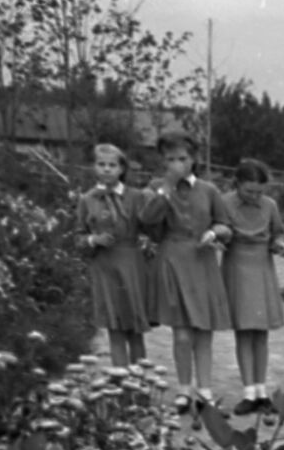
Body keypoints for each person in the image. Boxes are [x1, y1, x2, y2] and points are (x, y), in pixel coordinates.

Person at [139, 132, 233, 411]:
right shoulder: (156, 188)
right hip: (173, 262)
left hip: (202, 262)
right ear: (162, 162)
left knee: (204, 332)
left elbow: (225, 226)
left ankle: (204, 390)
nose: (178, 164)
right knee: (181, 334)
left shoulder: (209, 190)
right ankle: (183, 389)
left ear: (194, 160)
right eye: (170, 159)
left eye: (183, 158)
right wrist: (167, 187)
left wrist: (214, 233)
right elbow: (147, 220)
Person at [221, 159, 284, 415]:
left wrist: (280, 245)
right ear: (238, 184)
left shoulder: (270, 205)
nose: (255, 196)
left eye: (260, 192)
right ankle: (248, 391)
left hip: (262, 267)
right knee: (244, 331)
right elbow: (220, 232)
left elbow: (279, 233)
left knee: (261, 333)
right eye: (249, 191)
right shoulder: (225, 202)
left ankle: (261, 392)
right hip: (237, 266)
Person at [77, 142, 150, 367]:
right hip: (105, 265)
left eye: (112, 165)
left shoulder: (136, 197)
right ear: (94, 167)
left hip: (131, 265)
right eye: (101, 164)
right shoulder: (87, 200)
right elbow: (78, 237)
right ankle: (120, 385)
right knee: (115, 330)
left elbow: (149, 226)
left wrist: (146, 238)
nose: (106, 169)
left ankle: (139, 385)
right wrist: (93, 239)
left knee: (134, 329)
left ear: (122, 169)